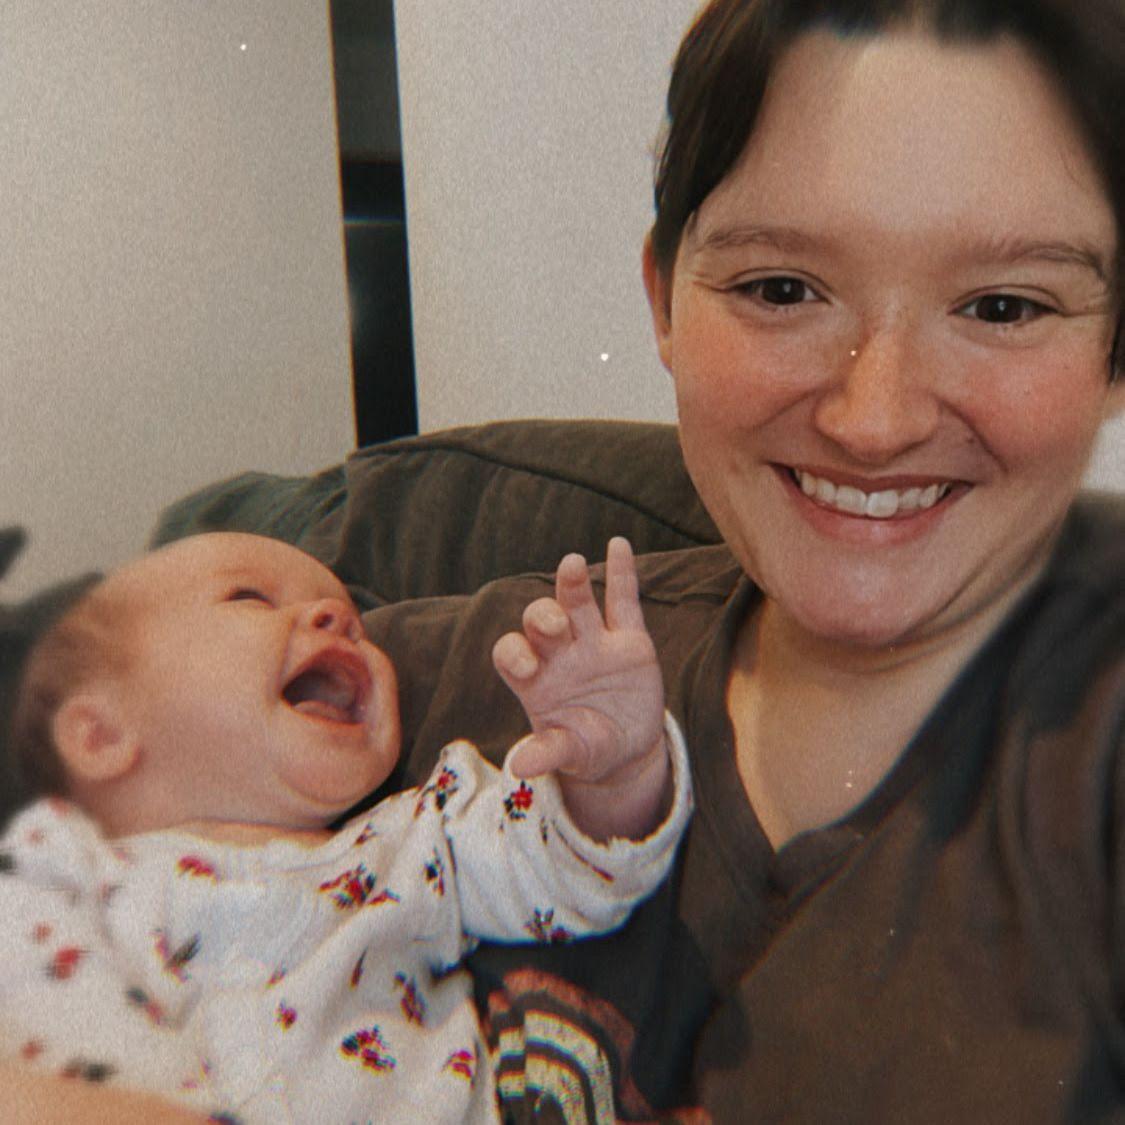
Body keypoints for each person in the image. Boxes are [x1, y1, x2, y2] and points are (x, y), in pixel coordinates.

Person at [353, 1, 1125, 1121]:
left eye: (1003, 306)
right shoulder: (445, 685)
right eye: (780, 290)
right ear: (664, 298)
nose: (874, 420)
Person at [0, 532, 691, 1124]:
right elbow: (53, 1036)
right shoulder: (59, 870)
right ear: (100, 735)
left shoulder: (416, 839)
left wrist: (610, 775)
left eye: (356, 621)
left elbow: (559, 870)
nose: (338, 617)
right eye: (250, 597)